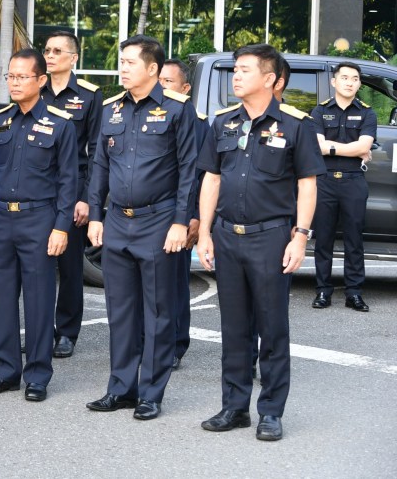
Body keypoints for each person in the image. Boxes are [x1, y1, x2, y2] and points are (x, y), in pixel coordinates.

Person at [197, 44, 323, 442]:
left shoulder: (296, 125)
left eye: (245, 70)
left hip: (271, 238)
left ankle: (270, 411)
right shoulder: (223, 122)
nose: (236, 76)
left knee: (272, 328)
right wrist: (204, 232)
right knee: (234, 329)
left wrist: (300, 236)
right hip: (227, 236)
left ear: (269, 79)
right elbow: (212, 178)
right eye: (235, 69)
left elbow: (307, 184)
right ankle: (234, 407)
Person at [86, 36, 197, 421]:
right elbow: (100, 165)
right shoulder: (111, 109)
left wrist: (181, 222)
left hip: (159, 221)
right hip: (118, 220)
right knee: (121, 311)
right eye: (122, 61)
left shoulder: (177, 109)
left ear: (152, 68)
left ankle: (150, 393)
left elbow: (188, 171)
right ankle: (120, 388)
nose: (123, 67)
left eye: (130, 62)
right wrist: (96, 215)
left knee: (158, 312)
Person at [0, 49, 77, 403]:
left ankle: (37, 375)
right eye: (10, 76)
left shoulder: (60, 124)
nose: (14, 83)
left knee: (38, 300)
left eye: (22, 77)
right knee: (2, 298)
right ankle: (4, 371)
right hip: (0, 219)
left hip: (39, 219)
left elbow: (68, 181)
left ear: (41, 80)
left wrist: (61, 227)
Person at [40, 31, 102, 359]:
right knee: (37, 267)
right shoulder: (36, 90)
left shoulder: (89, 96)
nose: (50, 56)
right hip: (37, 191)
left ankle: (66, 332)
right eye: (47, 50)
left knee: (69, 267)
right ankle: (40, 332)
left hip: (72, 191)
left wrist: (87, 198)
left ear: (73, 58)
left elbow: (97, 153)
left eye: (57, 51)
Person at [310, 62, 376, 312]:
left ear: (359, 84)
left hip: (353, 181)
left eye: (355, 78)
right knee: (323, 239)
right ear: (334, 81)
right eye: (345, 77)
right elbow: (317, 146)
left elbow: (364, 146)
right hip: (324, 181)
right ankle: (323, 291)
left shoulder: (367, 113)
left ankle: (354, 293)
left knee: (354, 240)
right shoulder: (319, 111)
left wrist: (333, 147)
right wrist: (352, 149)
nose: (350, 82)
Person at [157, 59, 206, 370]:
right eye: (159, 80)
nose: (162, 86)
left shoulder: (198, 123)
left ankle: (175, 344)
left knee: (174, 284)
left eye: (168, 82)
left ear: (185, 88)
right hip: (148, 214)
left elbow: (202, 175)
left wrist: (196, 217)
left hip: (179, 214)